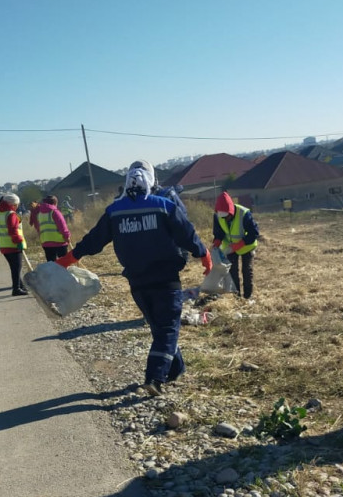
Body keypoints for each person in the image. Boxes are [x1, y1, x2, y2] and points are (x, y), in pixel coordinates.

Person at [56, 162, 213, 396]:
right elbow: (186, 233)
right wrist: (204, 254)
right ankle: (154, 377)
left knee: (159, 327)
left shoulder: (115, 211)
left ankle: (176, 368)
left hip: (137, 281)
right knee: (169, 327)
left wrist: (69, 258)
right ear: (151, 181)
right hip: (165, 277)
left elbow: (94, 240)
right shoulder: (164, 206)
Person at [212, 192, 260, 299]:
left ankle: (247, 297)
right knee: (232, 272)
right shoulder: (218, 216)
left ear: (231, 212)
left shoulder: (244, 214)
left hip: (247, 246)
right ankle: (237, 297)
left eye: (227, 216)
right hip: (230, 248)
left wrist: (240, 244)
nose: (225, 219)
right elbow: (219, 233)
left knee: (246, 271)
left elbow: (254, 233)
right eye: (222, 217)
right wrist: (216, 243)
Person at [0, 194, 28, 296]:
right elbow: (13, 230)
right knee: (16, 268)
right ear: (12, 204)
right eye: (16, 204)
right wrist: (18, 242)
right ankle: (16, 289)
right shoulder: (11, 214)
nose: (17, 206)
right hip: (13, 246)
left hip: (5, 246)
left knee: (14, 267)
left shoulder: (0, 214)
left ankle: (21, 286)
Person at [32, 195, 72, 262]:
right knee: (64, 264)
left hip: (46, 243)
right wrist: (67, 236)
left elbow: (38, 228)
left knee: (51, 265)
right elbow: (62, 226)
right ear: (55, 203)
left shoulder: (40, 214)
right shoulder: (55, 212)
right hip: (59, 242)